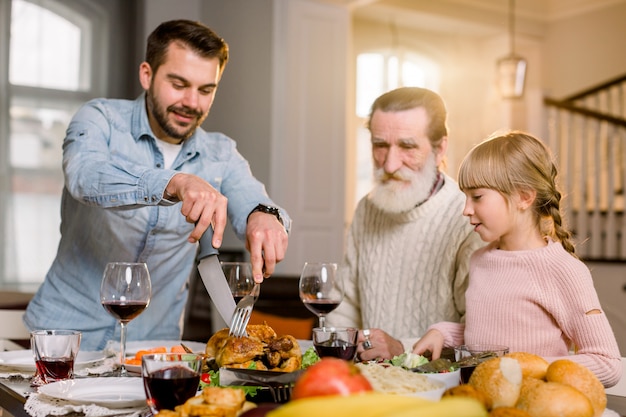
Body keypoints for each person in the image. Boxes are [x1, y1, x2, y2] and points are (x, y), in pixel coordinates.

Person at [24, 20, 290, 350]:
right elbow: (85, 176)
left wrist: (263, 216)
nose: (192, 102)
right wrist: (174, 182)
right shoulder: (100, 119)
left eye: (206, 90)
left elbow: (251, 197)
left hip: (153, 348)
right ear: (147, 75)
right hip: (63, 337)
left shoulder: (220, 153)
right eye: (179, 84)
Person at [412, 131, 622, 387]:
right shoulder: (480, 260)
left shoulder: (563, 270)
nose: (466, 210)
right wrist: (442, 333)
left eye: (477, 197)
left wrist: (527, 367)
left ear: (524, 196)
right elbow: (488, 340)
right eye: (465, 198)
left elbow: (608, 363)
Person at [325, 87, 484, 360]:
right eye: (380, 145)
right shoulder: (367, 208)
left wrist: (402, 348)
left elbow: (480, 332)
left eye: (407, 146)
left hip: (438, 387)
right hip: (366, 380)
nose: (389, 165)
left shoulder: (468, 217)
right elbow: (346, 305)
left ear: (440, 148)